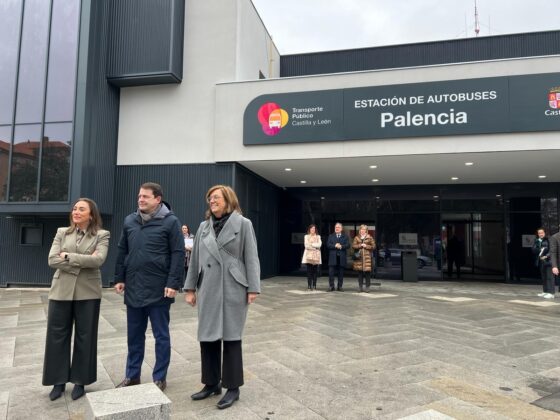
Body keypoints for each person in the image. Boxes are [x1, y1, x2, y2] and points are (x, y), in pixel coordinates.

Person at [184, 185, 260, 410]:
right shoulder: (203, 227)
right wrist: (189, 289)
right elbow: (195, 259)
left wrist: (253, 288)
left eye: (216, 197)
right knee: (207, 336)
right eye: (210, 198)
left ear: (228, 200)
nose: (212, 201)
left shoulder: (243, 224)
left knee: (231, 336)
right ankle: (211, 383)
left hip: (233, 286)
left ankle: (233, 387)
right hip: (207, 286)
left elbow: (252, 257)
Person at [114, 182, 184, 392]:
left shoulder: (170, 222)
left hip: (159, 289)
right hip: (134, 287)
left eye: (145, 196)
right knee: (134, 336)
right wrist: (120, 277)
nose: (141, 200)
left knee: (161, 335)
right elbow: (121, 250)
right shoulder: (130, 220)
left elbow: (178, 253)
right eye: (139, 196)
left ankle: (159, 377)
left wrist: (173, 283)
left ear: (157, 199)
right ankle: (132, 375)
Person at [43, 198, 110, 401]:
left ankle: (81, 381)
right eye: (74, 209)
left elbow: (98, 260)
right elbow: (52, 259)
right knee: (56, 336)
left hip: (88, 292)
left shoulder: (101, 235)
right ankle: (58, 381)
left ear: (91, 214)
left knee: (85, 336)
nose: (76, 212)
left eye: (81, 209)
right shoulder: (62, 232)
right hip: (60, 291)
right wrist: (81, 260)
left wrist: (67, 256)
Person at [352, 225, 375, 292]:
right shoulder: (356, 237)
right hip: (359, 258)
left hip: (367, 258)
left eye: (364, 229)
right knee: (360, 273)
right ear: (360, 230)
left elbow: (374, 246)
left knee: (367, 273)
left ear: (366, 230)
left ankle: (367, 287)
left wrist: (366, 246)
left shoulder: (370, 237)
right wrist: (360, 245)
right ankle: (360, 287)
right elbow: (353, 246)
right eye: (361, 229)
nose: (362, 231)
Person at [326, 222, 350, 291]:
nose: (337, 228)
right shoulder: (331, 236)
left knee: (341, 273)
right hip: (332, 258)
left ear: (341, 229)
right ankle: (331, 286)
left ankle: (340, 286)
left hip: (341, 257)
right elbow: (328, 245)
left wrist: (341, 246)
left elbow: (348, 245)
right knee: (331, 273)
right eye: (336, 227)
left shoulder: (345, 236)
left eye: (338, 227)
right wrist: (335, 246)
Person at [532, 228, 553, 298]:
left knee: (549, 277)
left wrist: (546, 256)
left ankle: (551, 293)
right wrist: (538, 248)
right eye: (539, 233)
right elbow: (533, 250)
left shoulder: (549, 239)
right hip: (541, 260)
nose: (540, 234)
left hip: (548, 260)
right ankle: (545, 291)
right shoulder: (537, 240)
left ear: (545, 233)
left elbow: (552, 250)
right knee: (544, 277)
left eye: (542, 233)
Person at [301, 224, 322, 290]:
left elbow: (319, 245)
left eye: (314, 228)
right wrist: (315, 247)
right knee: (309, 271)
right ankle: (309, 285)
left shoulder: (318, 236)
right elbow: (306, 246)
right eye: (312, 228)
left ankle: (314, 285)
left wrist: (312, 244)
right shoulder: (306, 236)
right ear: (309, 229)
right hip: (308, 256)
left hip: (316, 256)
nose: (313, 229)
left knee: (315, 271)